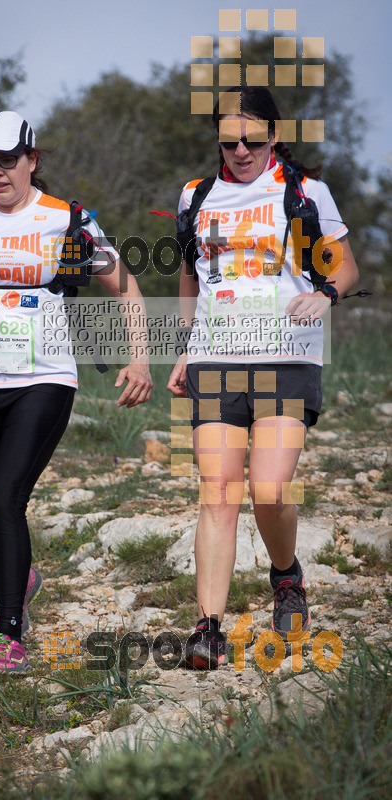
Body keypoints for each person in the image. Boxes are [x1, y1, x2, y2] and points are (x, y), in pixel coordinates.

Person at [0, 111, 152, 674]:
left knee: (8, 496)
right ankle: (21, 572)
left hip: (44, 381)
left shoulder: (67, 220)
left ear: (32, 160)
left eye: (7, 161)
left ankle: (8, 634)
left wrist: (140, 357)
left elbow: (125, 284)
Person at [167, 87, 359, 669]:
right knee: (218, 491)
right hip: (216, 358)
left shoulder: (303, 192)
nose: (241, 151)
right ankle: (207, 628)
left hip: (286, 357)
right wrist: (183, 349)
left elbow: (345, 266)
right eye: (229, 141)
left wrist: (325, 295)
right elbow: (191, 280)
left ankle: (286, 576)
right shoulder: (196, 195)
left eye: (252, 140)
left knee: (270, 490)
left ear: (274, 136)